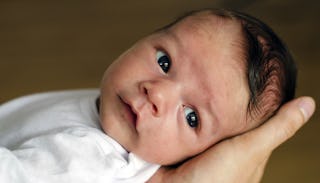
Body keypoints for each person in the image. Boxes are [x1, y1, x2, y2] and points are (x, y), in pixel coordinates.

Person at [0, 9, 313, 183]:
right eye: (165, 62)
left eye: (192, 117)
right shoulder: (116, 109)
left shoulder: (88, 165)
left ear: (202, 155)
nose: (157, 94)